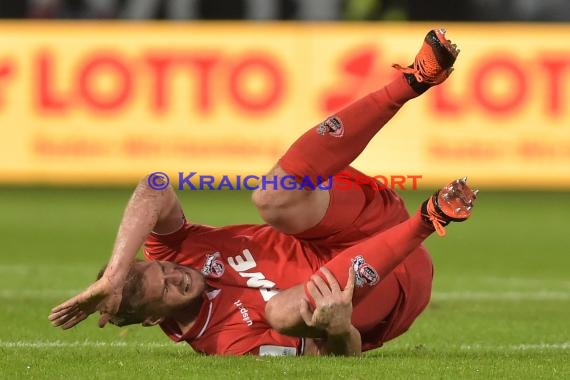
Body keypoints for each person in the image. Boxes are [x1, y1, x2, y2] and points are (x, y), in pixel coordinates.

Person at [49, 29, 476, 356]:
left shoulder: (174, 250)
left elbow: (154, 186)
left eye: (156, 270)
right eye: (163, 291)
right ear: (154, 321)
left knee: (271, 196)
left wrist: (113, 275)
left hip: (361, 226)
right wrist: (341, 328)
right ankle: (431, 217)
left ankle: (413, 82)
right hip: (381, 287)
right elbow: (335, 351)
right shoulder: (225, 342)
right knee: (285, 313)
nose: (174, 275)